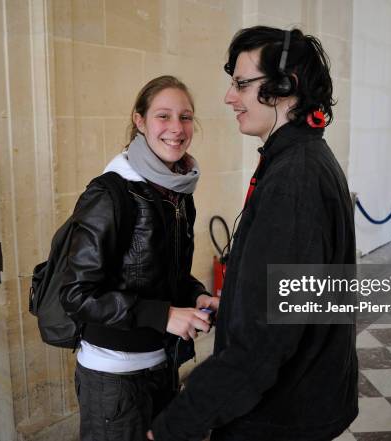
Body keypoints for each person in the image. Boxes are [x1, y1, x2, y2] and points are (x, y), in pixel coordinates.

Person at [149, 26, 358, 441]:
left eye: (242, 84)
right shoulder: (303, 157)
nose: (230, 97)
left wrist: (176, 423)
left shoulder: (295, 177)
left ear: (286, 87)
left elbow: (263, 344)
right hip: (302, 398)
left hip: (280, 414)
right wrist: (246, 298)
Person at [59, 75, 219, 441]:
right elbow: (76, 294)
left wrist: (196, 295)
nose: (177, 129)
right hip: (113, 378)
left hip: (161, 363)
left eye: (186, 117)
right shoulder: (110, 193)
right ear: (140, 120)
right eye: (163, 116)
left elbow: (169, 274)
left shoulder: (177, 190)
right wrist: (162, 315)